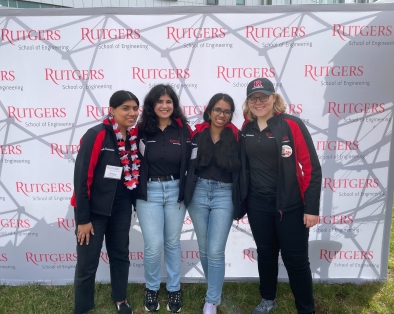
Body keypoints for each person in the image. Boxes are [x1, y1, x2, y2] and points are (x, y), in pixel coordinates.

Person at [240, 78, 322, 314]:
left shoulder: (291, 124)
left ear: (274, 98)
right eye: (253, 98)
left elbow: (311, 168)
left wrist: (311, 207)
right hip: (258, 205)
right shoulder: (246, 128)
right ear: (248, 103)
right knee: (265, 253)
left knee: (296, 261)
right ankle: (268, 299)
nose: (259, 102)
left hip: (291, 205)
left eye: (264, 96)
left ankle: (306, 309)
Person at [70, 90, 140, 314]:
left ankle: (120, 299)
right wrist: (83, 219)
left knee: (120, 254)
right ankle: (83, 307)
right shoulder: (97, 134)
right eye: (125, 108)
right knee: (88, 263)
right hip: (94, 210)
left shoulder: (132, 137)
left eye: (135, 108)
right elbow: (82, 178)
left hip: (121, 208)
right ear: (112, 110)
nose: (131, 113)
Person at [184, 93, 244, 314]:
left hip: (224, 195)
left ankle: (212, 300)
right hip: (198, 192)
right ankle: (214, 291)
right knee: (204, 248)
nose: (222, 115)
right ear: (209, 111)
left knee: (216, 250)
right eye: (218, 110)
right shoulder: (196, 133)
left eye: (227, 111)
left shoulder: (236, 135)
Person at [135, 84, 191, 313]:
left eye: (169, 102)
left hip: (175, 192)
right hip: (149, 193)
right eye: (160, 101)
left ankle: (174, 289)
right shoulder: (141, 130)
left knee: (172, 243)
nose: (165, 106)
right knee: (153, 246)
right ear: (152, 104)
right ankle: (151, 288)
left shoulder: (184, 130)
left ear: (174, 105)